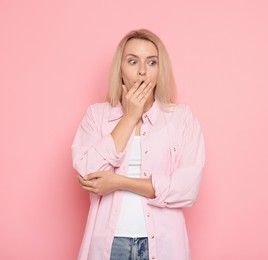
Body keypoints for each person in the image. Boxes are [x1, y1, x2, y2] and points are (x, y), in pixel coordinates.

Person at [72, 29, 205, 260]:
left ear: (159, 69)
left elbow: (187, 189)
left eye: (151, 62)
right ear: (120, 69)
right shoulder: (96, 115)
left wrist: (118, 181)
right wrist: (130, 117)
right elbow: (87, 172)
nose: (142, 71)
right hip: (109, 243)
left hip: (164, 244)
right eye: (133, 61)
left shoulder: (181, 118)